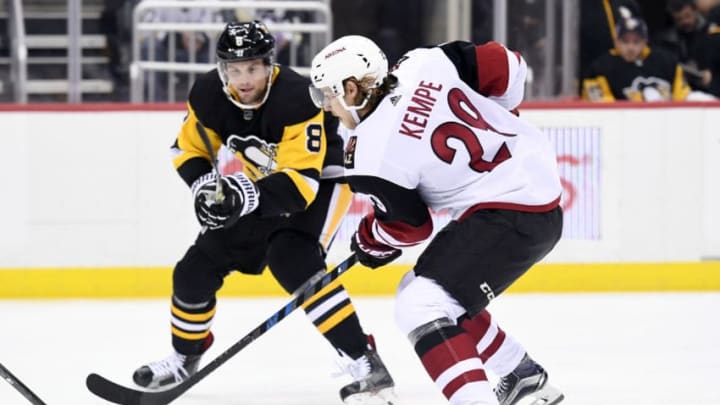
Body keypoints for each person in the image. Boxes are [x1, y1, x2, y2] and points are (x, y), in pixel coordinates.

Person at [132, 21, 395, 404]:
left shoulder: (296, 96)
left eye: (253, 68)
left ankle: (364, 360)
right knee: (194, 270)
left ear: (269, 65)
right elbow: (186, 151)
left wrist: (239, 195)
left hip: (324, 178)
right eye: (234, 69)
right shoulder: (208, 94)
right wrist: (206, 188)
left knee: (292, 258)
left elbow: (300, 187)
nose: (243, 79)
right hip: (262, 184)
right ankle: (185, 356)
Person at [309, 36, 565, 405]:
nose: (328, 108)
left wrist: (370, 240)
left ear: (351, 89)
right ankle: (521, 375)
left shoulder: (367, 154)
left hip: (509, 213)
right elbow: (508, 64)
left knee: (421, 306)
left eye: (328, 96)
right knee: (420, 288)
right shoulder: (424, 62)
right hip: (534, 189)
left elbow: (411, 227)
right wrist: (496, 116)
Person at [582, 16, 691, 101]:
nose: (630, 47)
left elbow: (683, 96)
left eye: (636, 41)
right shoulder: (600, 69)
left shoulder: (666, 62)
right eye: (625, 41)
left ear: (645, 41)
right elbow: (601, 106)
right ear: (615, 41)